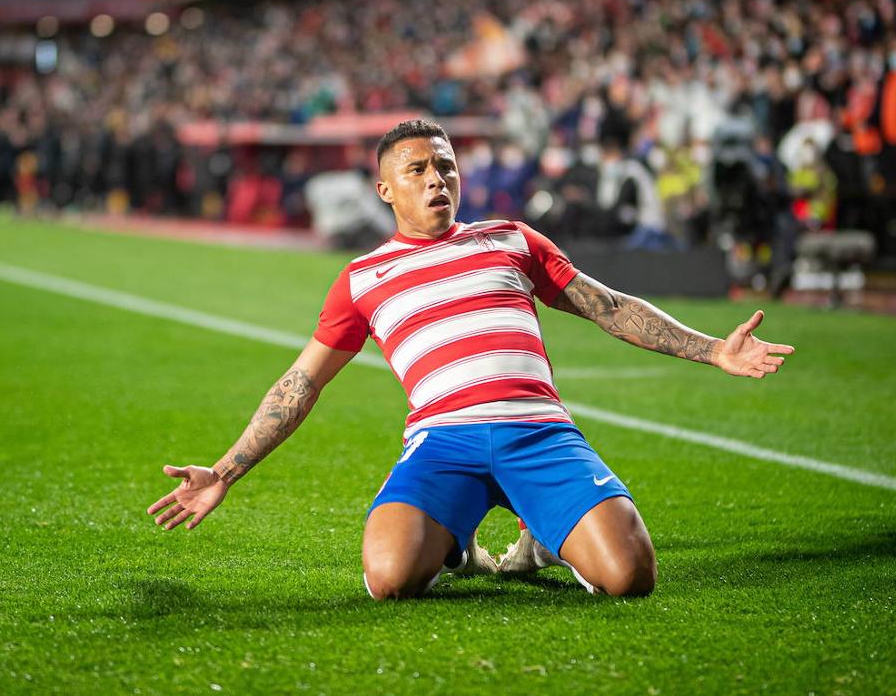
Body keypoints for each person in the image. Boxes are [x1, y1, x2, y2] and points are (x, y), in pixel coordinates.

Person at [149, 119, 794, 600]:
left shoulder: (510, 238)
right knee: (389, 580)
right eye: (418, 170)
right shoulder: (362, 279)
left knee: (631, 577)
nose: (437, 179)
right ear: (385, 189)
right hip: (442, 445)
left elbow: (609, 307)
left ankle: (542, 538)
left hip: (539, 434)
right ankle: (458, 544)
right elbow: (300, 383)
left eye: (446, 166)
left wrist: (714, 349)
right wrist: (225, 472)